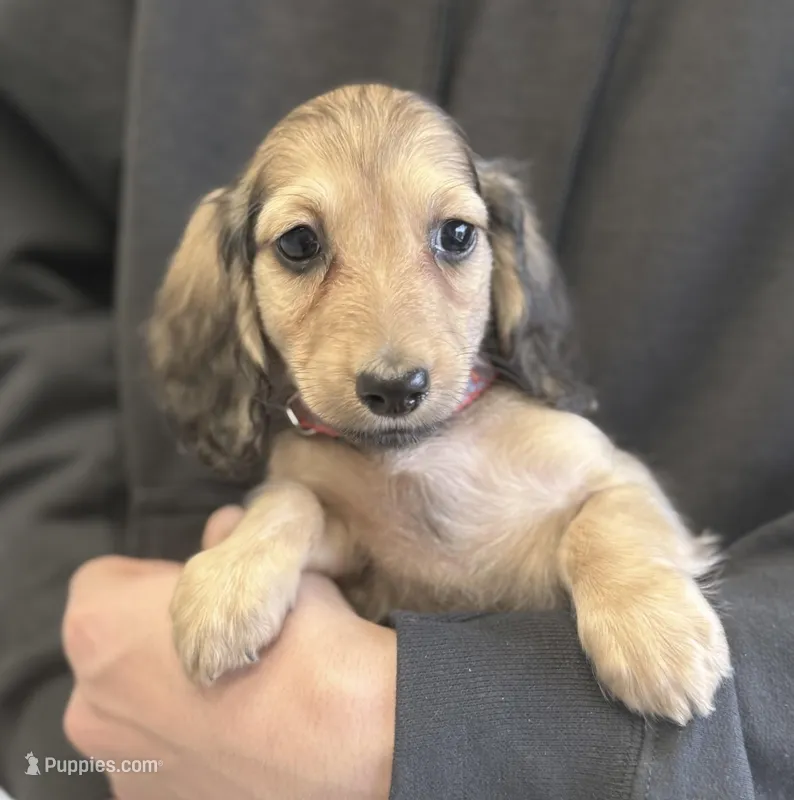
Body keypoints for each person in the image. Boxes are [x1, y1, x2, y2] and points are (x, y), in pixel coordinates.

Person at [1, 1, 793, 798]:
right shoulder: (309, 460)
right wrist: (57, 722)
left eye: (453, 237)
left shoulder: (538, 440)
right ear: (237, 285)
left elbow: (609, 491)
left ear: (505, 263)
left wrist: (620, 581)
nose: (394, 356)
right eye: (302, 246)